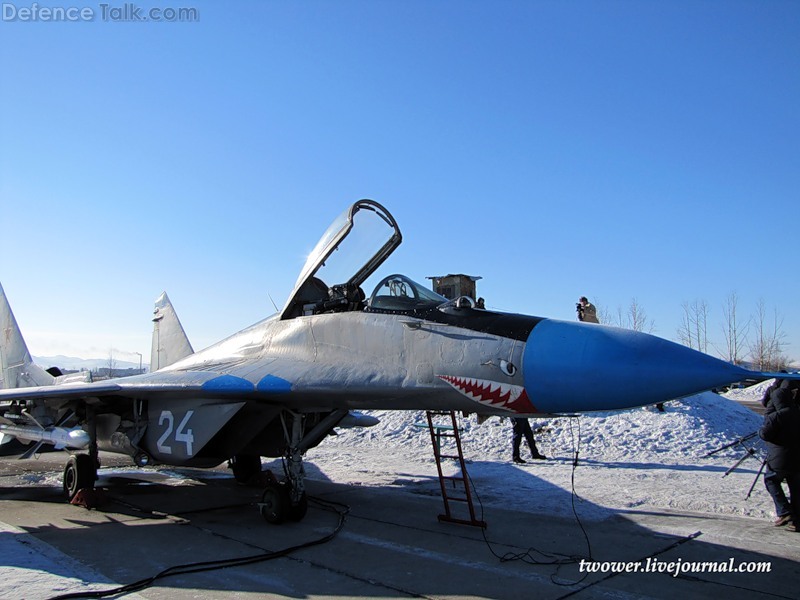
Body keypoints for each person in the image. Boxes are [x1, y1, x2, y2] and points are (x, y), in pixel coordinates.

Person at [759, 381, 800, 531]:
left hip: (779, 458)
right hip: (797, 458)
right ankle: (797, 521)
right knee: (796, 488)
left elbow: (765, 434)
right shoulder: (798, 411)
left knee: (771, 480)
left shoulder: (776, 416)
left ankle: (784, 511)